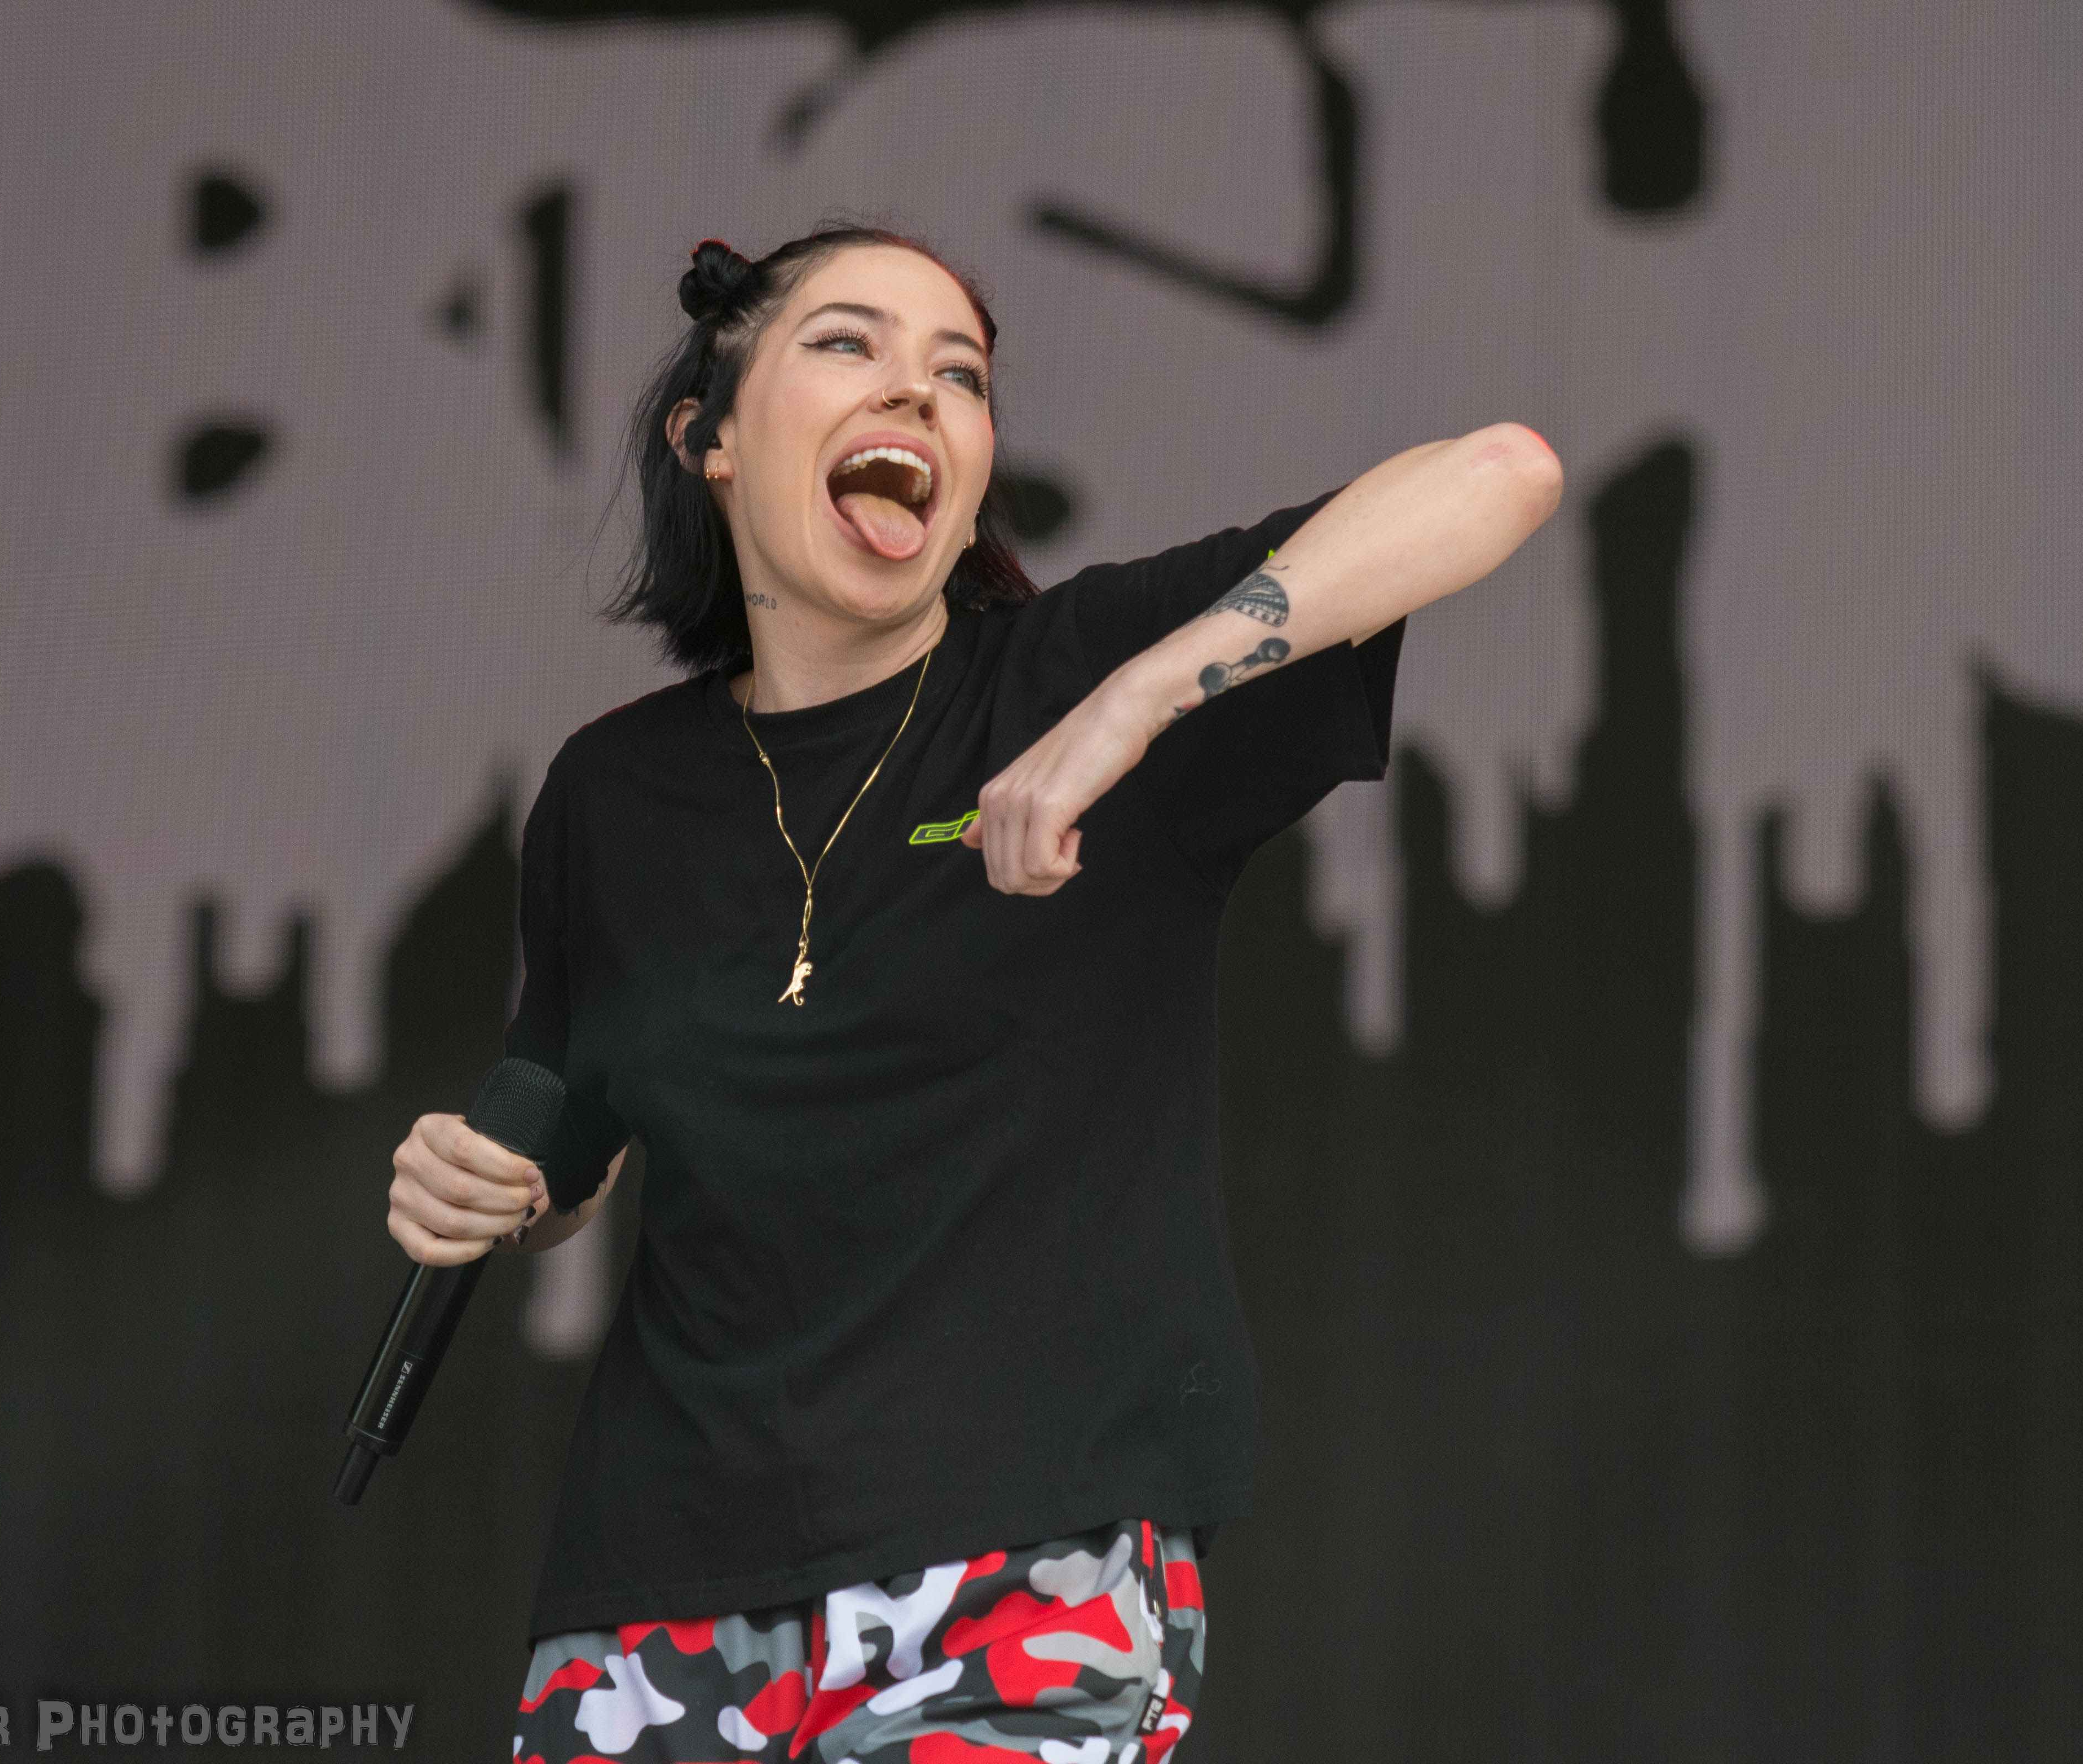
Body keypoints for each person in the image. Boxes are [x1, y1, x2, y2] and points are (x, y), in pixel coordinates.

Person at [385, 225, 1560, 1762]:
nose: (917, 391)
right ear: (709, 437)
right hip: (660, 1580)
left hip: (1022, 1551)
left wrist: (1137, 703)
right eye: (848, 344)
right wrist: (490, 1187)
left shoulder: (1073, 673)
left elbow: (1502, 472)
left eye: (962, 373)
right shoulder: (614, 793)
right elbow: (574, 1131)